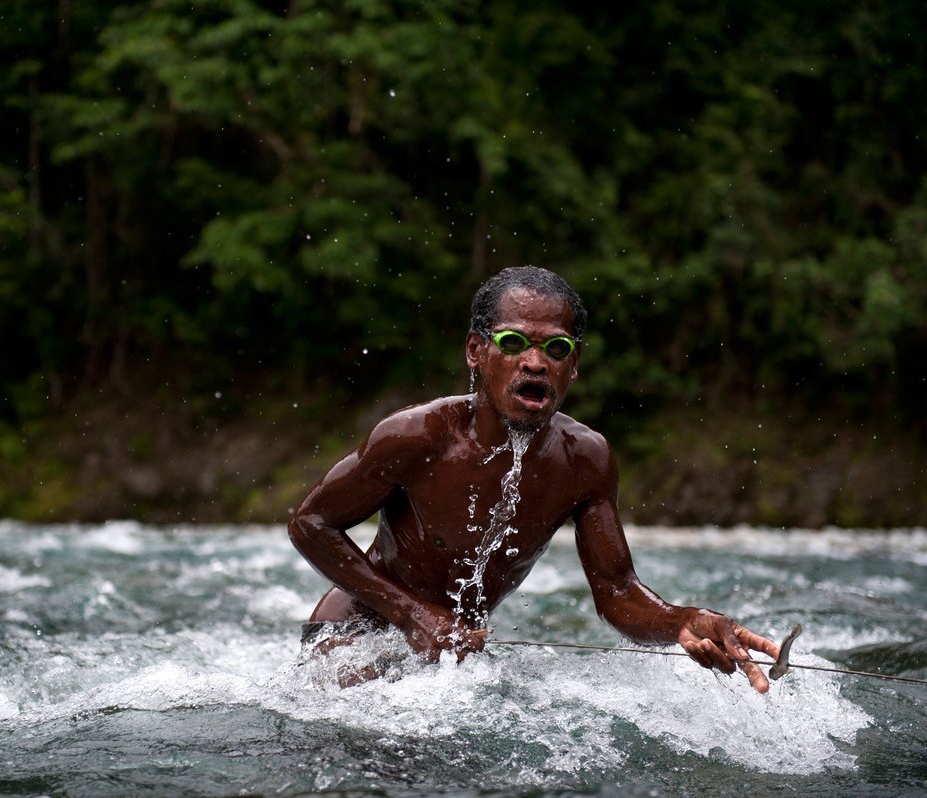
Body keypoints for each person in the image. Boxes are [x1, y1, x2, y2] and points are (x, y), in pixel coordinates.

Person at [288, 266, 782, 692]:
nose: (534, 361)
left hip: (456, 650)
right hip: (355, 633)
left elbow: (617, 592)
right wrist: (410, 613)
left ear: (575, 365)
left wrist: (683, 622)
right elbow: (310, 523)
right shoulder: (414, 437)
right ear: (475, 352)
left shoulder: (584, 460)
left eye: (556, 347)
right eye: (513, 342)